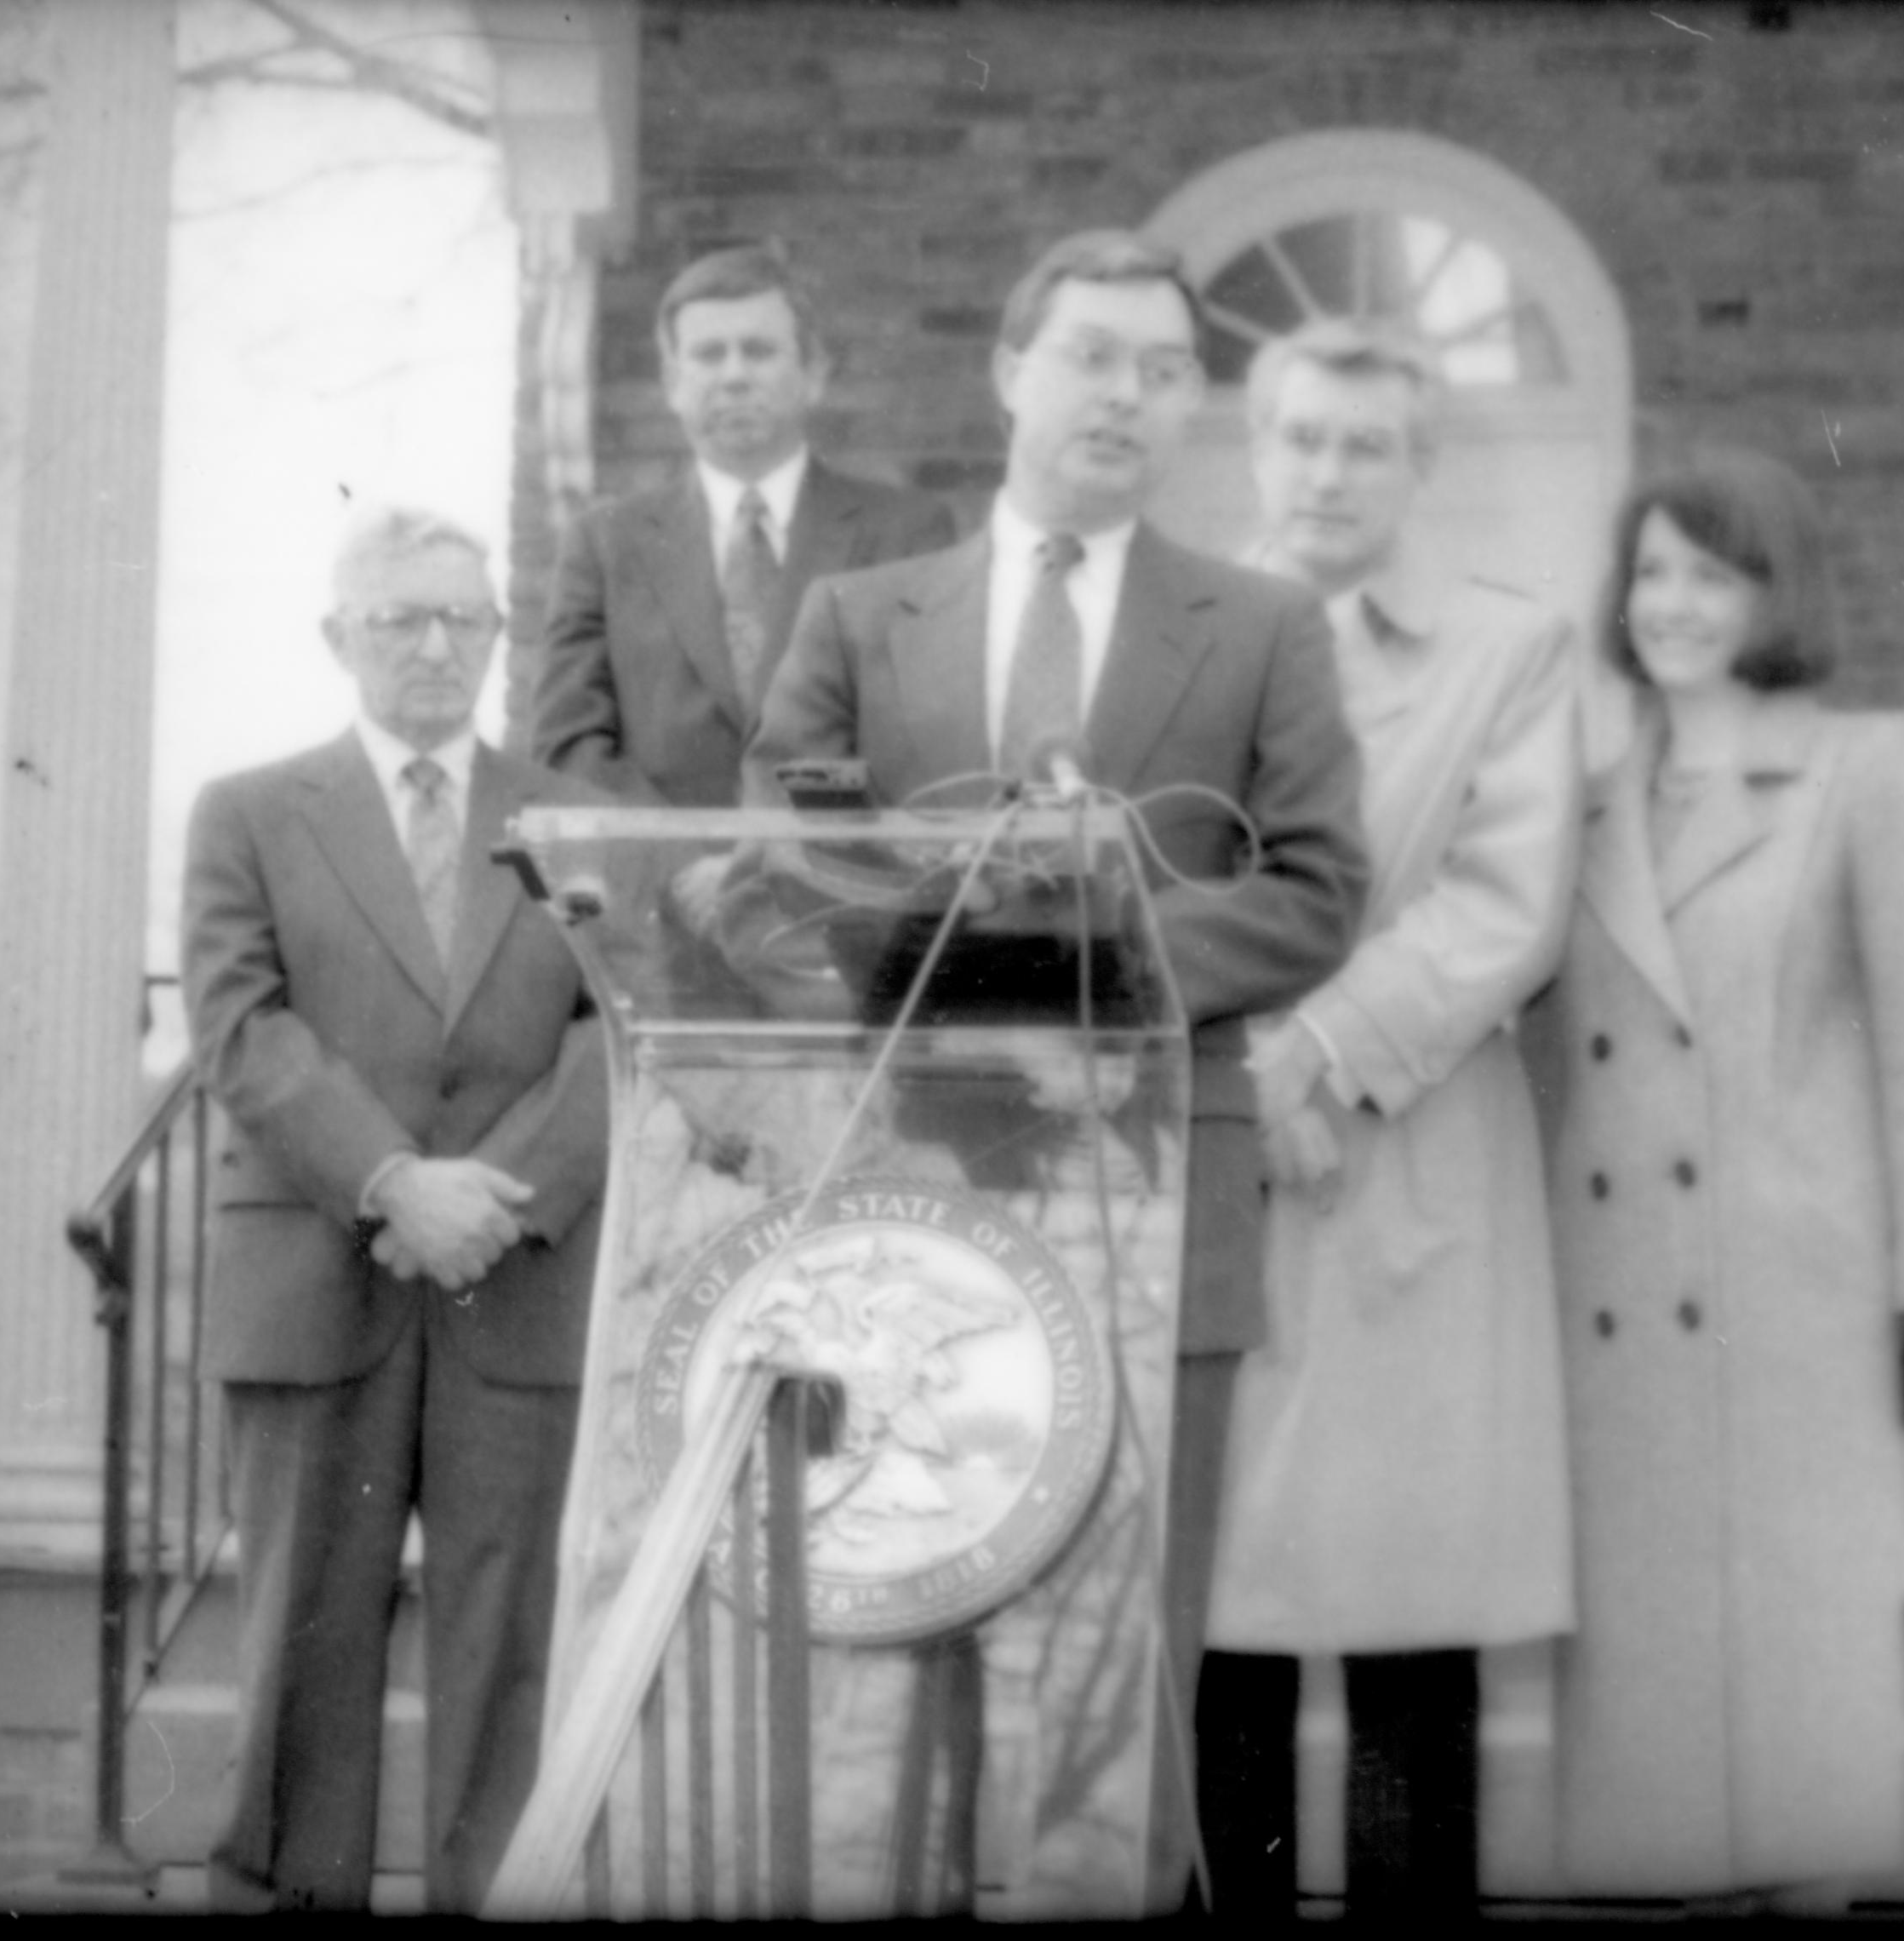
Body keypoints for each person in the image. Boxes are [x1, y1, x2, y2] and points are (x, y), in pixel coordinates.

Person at [741, 228, 1369, 1908]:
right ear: (1013, 372)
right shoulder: (863, 619)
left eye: (1167, 372)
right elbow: (764, 869)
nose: (1130, 397)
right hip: (904, 1198)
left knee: (1122, 1660)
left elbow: (1317, 890)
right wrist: (970, 949)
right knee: (900, 1621)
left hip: (1155, 1191)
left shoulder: (1259, 626)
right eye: (1094, 356)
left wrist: (1102, 951)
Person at [1545, 447, 1904, 1908]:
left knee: (1800, 1689)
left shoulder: (1872, 767)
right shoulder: (1589, 789)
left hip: (1793, 1286)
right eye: (1652, 569)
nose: (1672, 603)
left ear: (1773, 592)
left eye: (1711, 572)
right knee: (1647, 1700)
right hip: (1612, 1294)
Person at [1197, 320, 1581, 1918]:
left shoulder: (1509, 650)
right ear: (1260, 449)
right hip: (1218, 1157)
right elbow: (1131, 890)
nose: (1330, 473)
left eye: (1368, 445)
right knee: (1224, 1621)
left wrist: (1322, 1052)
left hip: (1406, 1155)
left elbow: (1507, 907)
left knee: (1408, 1617)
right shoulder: (1180, 639)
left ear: (1423, 468)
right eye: (1302, 438)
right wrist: (1243, 1068)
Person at [180, 507, 609, 1912]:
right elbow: (242, 1027)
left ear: (497, 635)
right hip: (320, 1272)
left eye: (463, 620)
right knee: (307, 1634)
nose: (436, 647)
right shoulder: (249, 810)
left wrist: (504, 1196)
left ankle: (496, 1895)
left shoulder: (569, 818)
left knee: (511, 1634)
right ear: (337, 637)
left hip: (517, 1273)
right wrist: (392, 1183)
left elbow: (625, 1030)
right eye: (399, 620)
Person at [531, 242, 957, 806]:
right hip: (661, 884)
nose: (734, 376)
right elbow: (569, 748)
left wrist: (776, 861)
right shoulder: (604, 544)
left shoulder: (906, 534)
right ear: (671, 383)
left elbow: (925, 744)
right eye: (708, 354)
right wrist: (682, 866)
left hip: (836, 884)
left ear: (814, 374)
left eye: (758, 351)